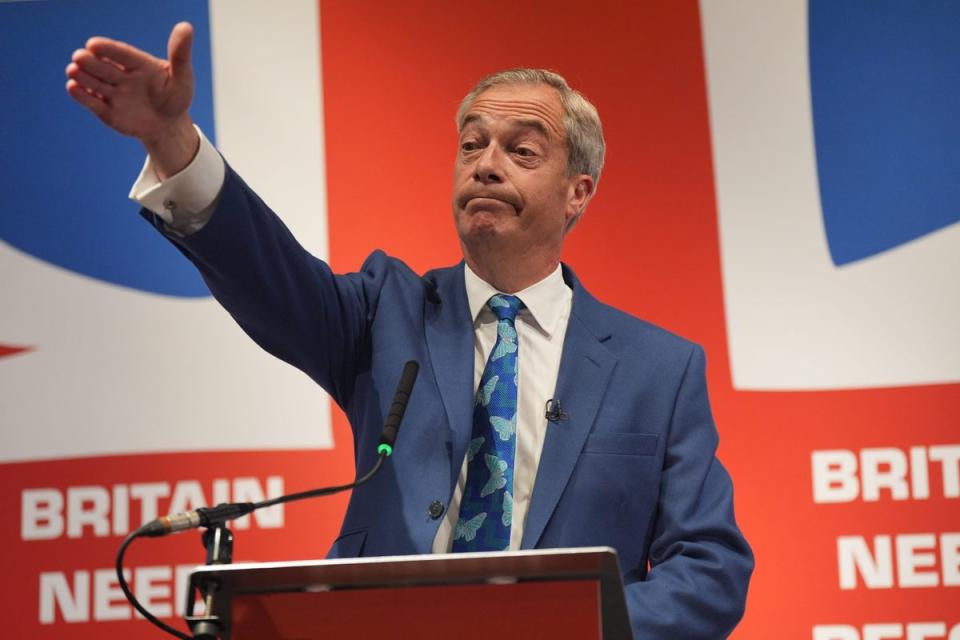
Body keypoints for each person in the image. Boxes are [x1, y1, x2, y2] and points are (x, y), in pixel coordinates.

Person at [66, 21, 753, 638]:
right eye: (472, 144)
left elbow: (711, 565)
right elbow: (263, 272)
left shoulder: (658, 369)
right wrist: (171, 139)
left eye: (522, 150)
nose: (486, 163)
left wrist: (572, 626)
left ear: (579, 191)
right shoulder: (381, 313)